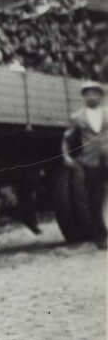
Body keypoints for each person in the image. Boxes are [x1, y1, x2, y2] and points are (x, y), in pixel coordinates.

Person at [62, 80, 108, 250]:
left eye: (95, 93)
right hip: (90, 162)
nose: (91, 96)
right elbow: (67, 139)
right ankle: (101, 238)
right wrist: (66, 157)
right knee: (94, 200)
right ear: (83, 97)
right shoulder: (77, 117)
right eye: (87, 93)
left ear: (101, 96)